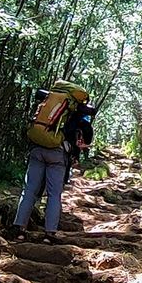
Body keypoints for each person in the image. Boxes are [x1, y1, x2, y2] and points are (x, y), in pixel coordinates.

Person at [13, 79, 84, 244]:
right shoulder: (74, 112)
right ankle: (49, 233)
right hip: (57, 155)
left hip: (37, 150)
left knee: (29, 191)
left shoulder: (48, 103)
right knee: (54, 195)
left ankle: (19, 230)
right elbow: (86, 133)